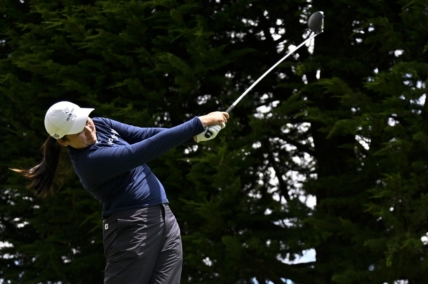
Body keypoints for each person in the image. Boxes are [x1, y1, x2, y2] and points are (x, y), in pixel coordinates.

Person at [12, 101, 229, 284]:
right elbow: (140, 151)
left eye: (85, 121)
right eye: (78, 131)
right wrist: (198, 123)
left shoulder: (100, 124)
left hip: (163, 216)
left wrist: (194, 136)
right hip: (131, 224)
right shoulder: (90, 162)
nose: (88, 129)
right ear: (63, 141)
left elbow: (146, 135)